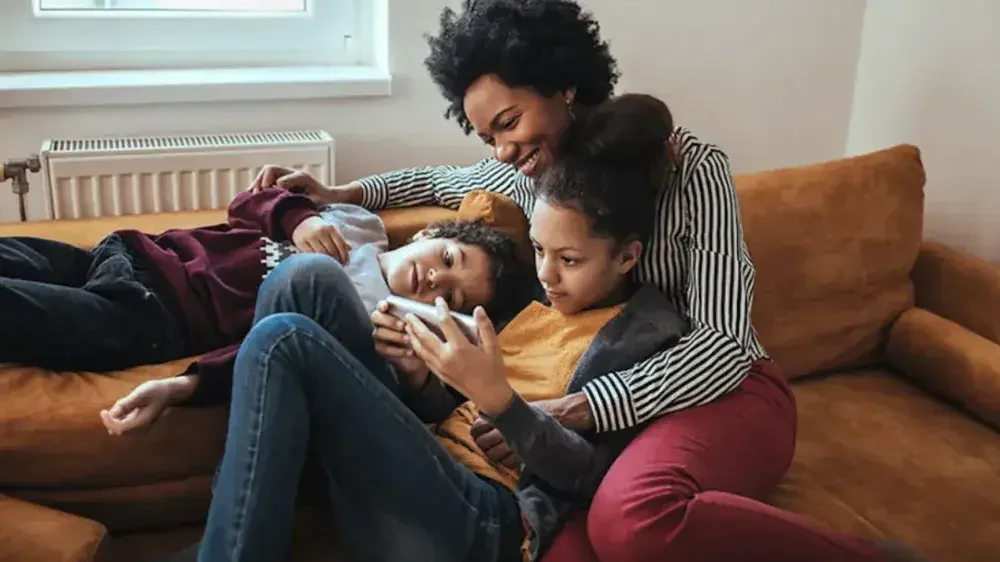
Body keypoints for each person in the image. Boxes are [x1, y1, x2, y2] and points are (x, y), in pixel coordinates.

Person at [250, 2, 933, 560]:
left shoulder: (689, 169)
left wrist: (578, 408)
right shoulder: (542, 180)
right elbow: (445, 179)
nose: (503, 150)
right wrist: (346, 188)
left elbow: (725, 343)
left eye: (510, 123)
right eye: (488, 134)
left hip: (726, 387)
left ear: (565, 86)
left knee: (629, 523)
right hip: (623, 402)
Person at [194, 93, 689, 562]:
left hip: (481, 517)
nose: (547, 274)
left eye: (570, 259)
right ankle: (243, 525)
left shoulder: (648, 335)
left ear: (627, 256)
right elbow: (450, 408)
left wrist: (505, 405)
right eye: (540, 250)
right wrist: (419, 379)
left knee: (284, 339)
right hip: (425, 461)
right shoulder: (531, 296)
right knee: (308, 276)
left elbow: (593, 477)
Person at [98, 211, 524, 435]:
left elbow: (273, 349)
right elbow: (248, 205)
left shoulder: (379, 326)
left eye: (449, 297)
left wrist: (185, 384)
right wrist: (300, 218)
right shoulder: (360, 227)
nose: (434, 279)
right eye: (448, 259)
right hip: (145, 251)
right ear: (426, 233)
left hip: (161, 309)